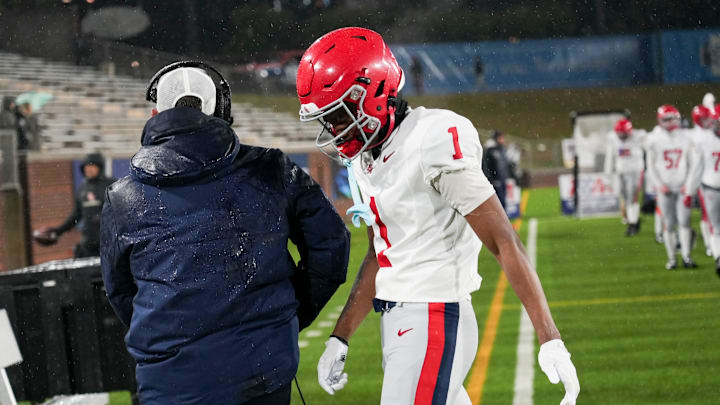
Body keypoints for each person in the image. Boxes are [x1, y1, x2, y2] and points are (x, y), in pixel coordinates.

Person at [297, 27, 579, 405]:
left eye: (340, 114)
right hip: (401, 322)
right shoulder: (366, 157)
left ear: (373, 95)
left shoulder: (432, 138)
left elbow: (502, 241)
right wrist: (341, 334)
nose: (333, 129)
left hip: (434, 317)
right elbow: (382, 254)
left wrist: (550, 338)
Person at [100, 62, 350, 405]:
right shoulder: (271, 169)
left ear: (156, 113)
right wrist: (287, 314)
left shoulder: (122, 197)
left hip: (169, 384)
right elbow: (331, 248)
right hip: (260, 373)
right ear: (221, 109)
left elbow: (121, 291)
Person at [646, 105, 699, 270]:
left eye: (672, 119)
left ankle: (686, 256)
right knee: (668, 224)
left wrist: (688, 186)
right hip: (665, 188)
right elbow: (650, 165)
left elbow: (693, 164)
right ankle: (671, 259)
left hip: (682, 186)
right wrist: (659, 185)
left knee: (684, 222)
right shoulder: (653, 139)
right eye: (666, 119)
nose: (669, 123)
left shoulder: (686, 137)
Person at [33, 152, 115, 257]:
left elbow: (120, 210)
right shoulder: (83, 188)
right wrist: (59, 231)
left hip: (109, 241)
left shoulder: (111, 185)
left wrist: (103, 217)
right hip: (89, 243)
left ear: (99, 167)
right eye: (86, 166)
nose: (88, 169)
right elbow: (76, 215)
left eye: (91, 166)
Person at [688, 109, 720, 277]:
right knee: (714, 224)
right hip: (710, 187)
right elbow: (696, 168)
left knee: (715, 225)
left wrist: (689, 192)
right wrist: (690, 191)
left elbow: (696, 168)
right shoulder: (703, 140)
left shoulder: (704, 140)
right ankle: (718, 256)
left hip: (710, 185)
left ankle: (717, 255)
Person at [604, 118, 646, 236]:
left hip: (635, 171)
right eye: (620, 133)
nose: (621, 136)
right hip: (621, 171)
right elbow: (609, 157)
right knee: (625, 198)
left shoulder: (639, 136)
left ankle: (632, 223)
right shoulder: (612, 138)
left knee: (633, 197)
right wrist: (607, 175)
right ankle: (633, 221)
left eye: (624, 133)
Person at [483, 130, 513, 210]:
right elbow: (487, 166)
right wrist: (492, 179)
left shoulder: (502, 149)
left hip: (503, 178)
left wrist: (510, 176)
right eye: (501, 137)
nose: (503, 139)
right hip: (496, 180)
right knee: (498, 202)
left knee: (503, 201)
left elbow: (506, 165)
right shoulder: (490, 150)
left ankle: (504, 218)